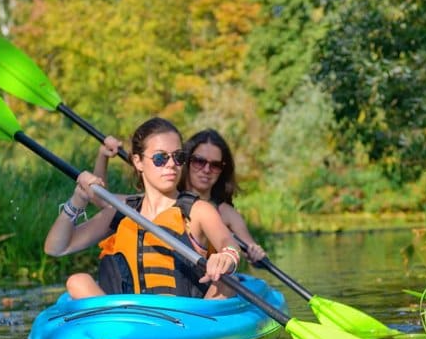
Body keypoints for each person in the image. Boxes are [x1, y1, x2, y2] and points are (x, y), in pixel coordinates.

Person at [44, 117, 241, 300]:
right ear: (138, 162)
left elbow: (228, 242)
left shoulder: (198, 210)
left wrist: (227, 256)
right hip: (129, 318)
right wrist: (78, 199)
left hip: (184, 317)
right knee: (77, 281)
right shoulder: (122, 210)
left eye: (178, 157)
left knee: (228, 281)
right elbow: (56, 248)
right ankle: (115, 325)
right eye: (160, 158)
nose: (171, 165)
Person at [179, 129, 266, 264]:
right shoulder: (168, 200)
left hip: (211, 276)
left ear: (222, 170)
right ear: (187, 161)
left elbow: (250, 246)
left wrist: (256, 254)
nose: (206, 170)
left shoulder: (227, 213)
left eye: (215, 165)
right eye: (199, 161)